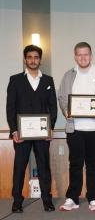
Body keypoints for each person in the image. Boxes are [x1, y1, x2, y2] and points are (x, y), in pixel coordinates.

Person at [58, 42, 95, 211]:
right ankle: (72, 198)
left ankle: (93, 198)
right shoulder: (69, 75)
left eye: (86, 54)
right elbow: (62, 97)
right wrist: (66, 110)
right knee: (75, 163)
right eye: (79, 54)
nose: (83, 57)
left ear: (91, 55)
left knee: (93, 164)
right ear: (75, 56)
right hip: (74, 127)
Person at [6, 45, 57, 213]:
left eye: (36, 57)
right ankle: (17, 201)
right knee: (19, 167)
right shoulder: (15, 80)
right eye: (30, 57)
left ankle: (47, 201)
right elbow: (10, 108)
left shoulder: (48, 80)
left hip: (42, 133)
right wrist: (14, 130)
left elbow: (53, 107)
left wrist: (50, 129)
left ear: (40, 60)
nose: (33, 60)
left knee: (44, 167)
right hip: (21, 134)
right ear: (25, 59)